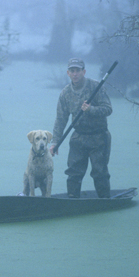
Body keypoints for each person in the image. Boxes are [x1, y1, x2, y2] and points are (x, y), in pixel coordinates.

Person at [49, 58, 112, 198]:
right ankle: (72, 200)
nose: (75, 73)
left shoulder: (96, 87)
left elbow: (108, 109)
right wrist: (55, 142)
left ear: (84, 72)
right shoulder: (65, 93)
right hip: (78, 137)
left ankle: (105, 201)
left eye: (78, 70)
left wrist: (91, 109)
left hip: (99, 137)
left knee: (99, 172)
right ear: (68, 73)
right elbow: (61, 119)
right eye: (72, 71)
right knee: (73, 172)